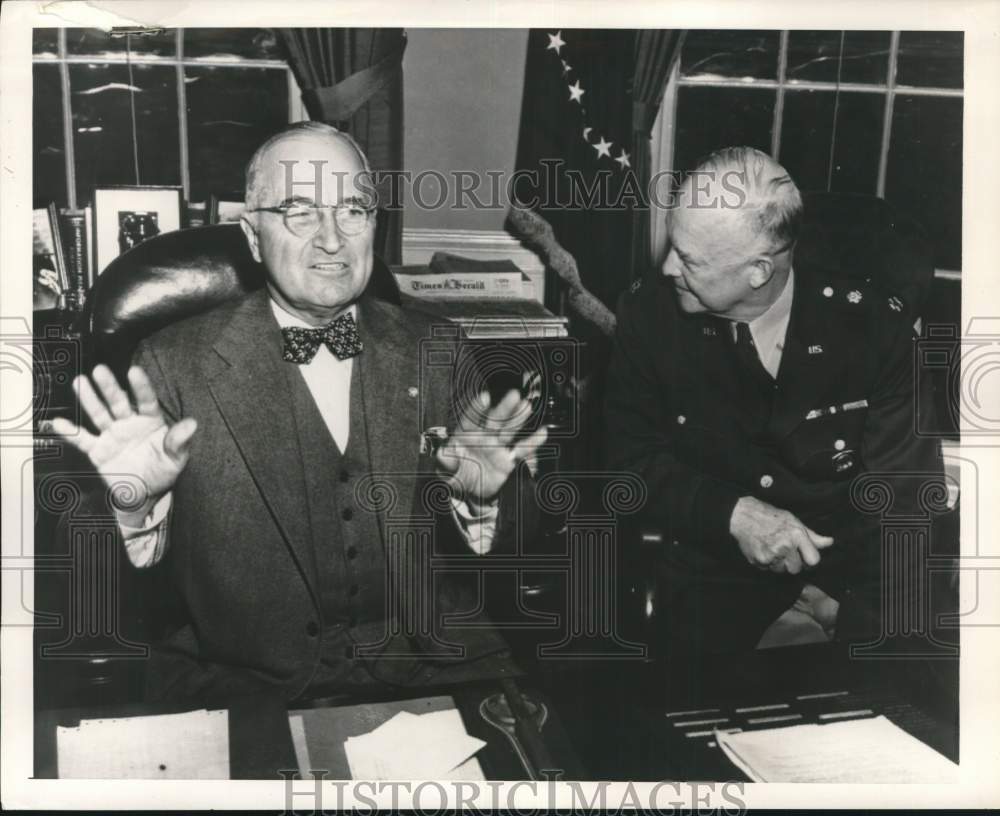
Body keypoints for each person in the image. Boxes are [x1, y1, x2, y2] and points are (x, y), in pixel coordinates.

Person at [52, 122, 547, 703]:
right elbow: (82, 573)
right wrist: (131, 505)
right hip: (241, 684)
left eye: (353, 211)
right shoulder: (170, 362)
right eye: (300, 212)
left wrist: (486, 499)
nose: (333, 240)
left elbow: (529, 547)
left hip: (432, 673)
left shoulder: (439, 347)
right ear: (254, 237)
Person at [605, 146, 947, 661]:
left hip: (850, 596)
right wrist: (732, 514)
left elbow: (907, 504)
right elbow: (623, 464)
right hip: (713, 595)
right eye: (673, 246)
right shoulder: (649, 318)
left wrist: (861, 628)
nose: (668, 267)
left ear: (759, 271)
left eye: (690, 259)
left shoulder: (873, 328)